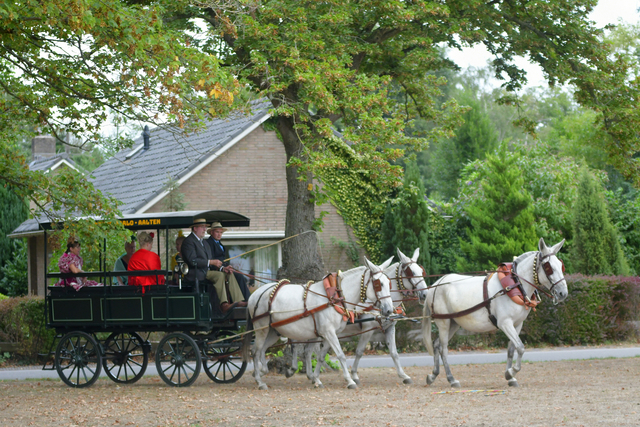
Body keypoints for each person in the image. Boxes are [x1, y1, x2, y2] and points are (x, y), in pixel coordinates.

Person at [181, 218, 247, 313]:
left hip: (206, 272)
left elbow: (212, 264)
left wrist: (223, 268)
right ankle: (224, 304)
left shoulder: (204, 243)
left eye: (205, 227)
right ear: (195, 228)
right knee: (219, 275)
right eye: (202, 227)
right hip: (196, 273)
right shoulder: (189, 241)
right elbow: (192, 260)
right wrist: (210, 262)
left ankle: (239, 301)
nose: (204, 229)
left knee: (229, 273)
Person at [206, 222, 251, 300]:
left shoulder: (220, 244)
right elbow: (212, 260)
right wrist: (223, 268)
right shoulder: (209, 243)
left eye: (221, 232)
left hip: (223, 268)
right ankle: (242, 300)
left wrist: (228, 266)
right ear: (211, 232)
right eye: (217, 232)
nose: (219, 234)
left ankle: (247, 299)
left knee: (240, 276)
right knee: (238, 276)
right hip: (216, 269)